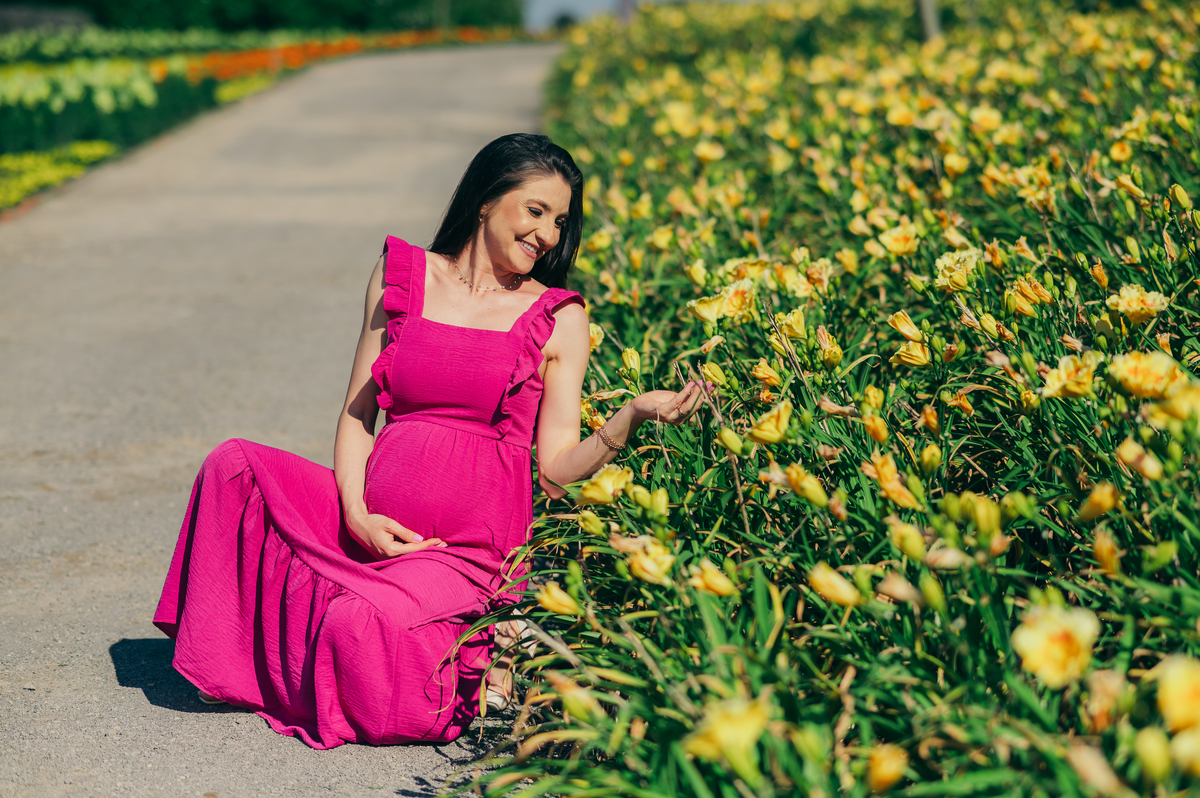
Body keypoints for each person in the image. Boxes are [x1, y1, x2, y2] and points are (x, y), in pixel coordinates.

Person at [152, 133, 703, 749]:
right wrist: (358, 515)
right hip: (368, 523)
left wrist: (630, 416)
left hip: (464, 553)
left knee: (357, 624)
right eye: (536, 211)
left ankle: (486, 636)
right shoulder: (400, 276)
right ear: (486, 201)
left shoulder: (559, 317)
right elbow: (360, 411)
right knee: (234, 466)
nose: (548, 234)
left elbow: (553, 470)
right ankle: (250, 655)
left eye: (560, 220)